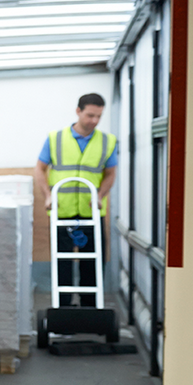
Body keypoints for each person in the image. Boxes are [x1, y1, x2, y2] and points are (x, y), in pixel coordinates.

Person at [33, 92, 119, 307]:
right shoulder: (55, 138)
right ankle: (63, 309)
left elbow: (110, 173)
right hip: (62, 212)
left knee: (92, 264)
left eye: (99, 116)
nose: (95, 121)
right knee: (62, 262)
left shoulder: (107, 141)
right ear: (78, 111)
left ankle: (90, 309)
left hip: (91, 213)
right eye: (90, 115)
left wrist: (100, 195)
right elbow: (39, 169)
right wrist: (47, 196)